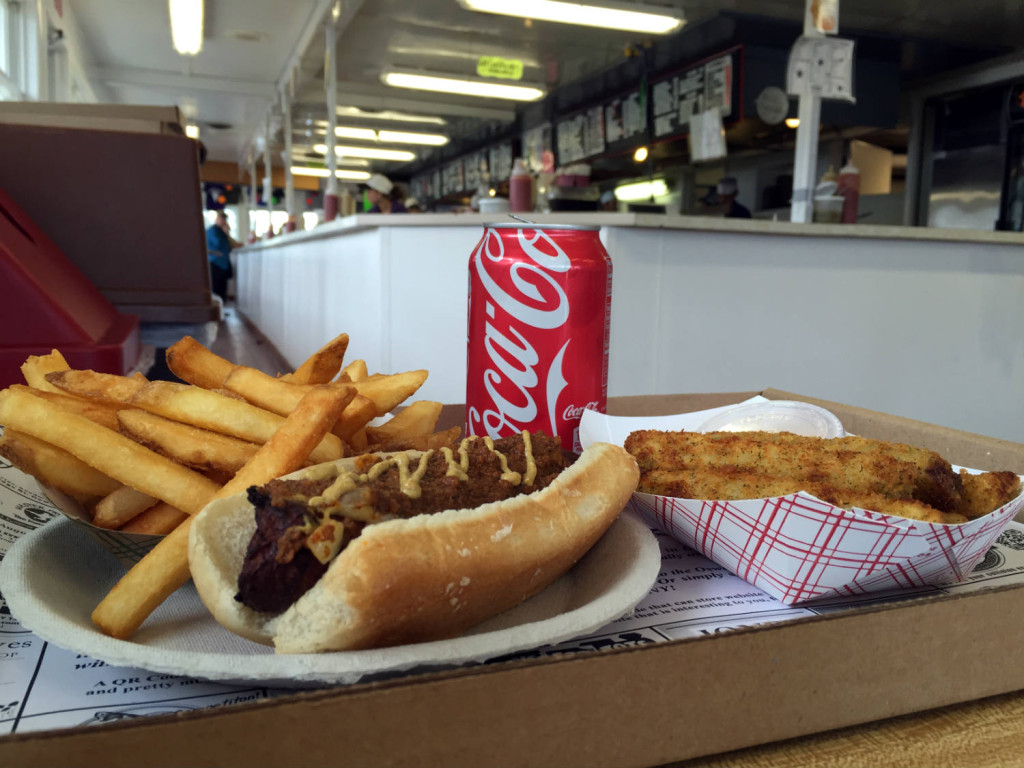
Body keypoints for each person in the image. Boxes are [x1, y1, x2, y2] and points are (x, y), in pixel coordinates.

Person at [206, 211, 238, 302]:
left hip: (223, 264)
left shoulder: (221, 232)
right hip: (216, 262)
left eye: (225, 219)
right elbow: (219, 243)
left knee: (222, 289)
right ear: (217, 219)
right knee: (216, 289)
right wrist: (226, 232)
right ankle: (218, 311)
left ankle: (222, 310)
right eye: (222, 219)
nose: (223, 221)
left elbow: (230, 244)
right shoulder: (213, 230)